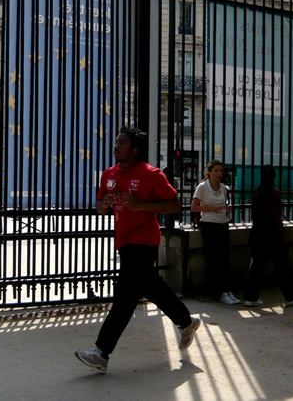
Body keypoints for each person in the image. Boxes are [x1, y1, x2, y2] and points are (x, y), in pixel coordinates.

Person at [74, 126, 201, 373]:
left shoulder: (151, 174)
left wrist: (142, 205)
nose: (116, 146)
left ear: (134, 149)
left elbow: (174, 205)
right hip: (123, 240)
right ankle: (186, 322)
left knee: (124, 298)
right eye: (116, 142)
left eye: (121, 143)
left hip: (144, 240)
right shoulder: (109, 174)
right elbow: (99, 204)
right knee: (149, 287)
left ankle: (101, 352)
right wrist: (104, 205)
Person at [244, 165, 293, 307]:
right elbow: (276, 217)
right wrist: (284, 235)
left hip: (257, 232)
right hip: (273, 234)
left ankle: (250, 297)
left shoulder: (256, 192)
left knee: (257, 265)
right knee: (283, 266)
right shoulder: (275, 193)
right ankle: (292, 296)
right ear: (274, 177)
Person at [191, 160, 240, 305]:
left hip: (222, 223)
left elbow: (224, 204)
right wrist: (211, 207)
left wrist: (226, 208)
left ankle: (226, 290)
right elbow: (194, 207)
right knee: (215, 259)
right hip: (209, 224)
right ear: (209, 172)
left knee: (224, 259)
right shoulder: (202, 187)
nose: (219, 173)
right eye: (216, 170)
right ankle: (219, 292)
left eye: (221, 171)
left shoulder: (224, 188)